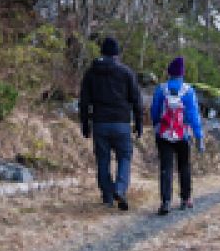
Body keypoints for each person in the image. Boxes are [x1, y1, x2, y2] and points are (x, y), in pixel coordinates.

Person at [78, 35, 144, 210]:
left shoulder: (91, 73)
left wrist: (85, 124)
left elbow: (84, 101)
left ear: (102, 52)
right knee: (125, 157)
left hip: (100, 123)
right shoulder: (126, 72)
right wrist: (139, 123)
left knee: (103, 159)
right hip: (121, 123)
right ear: (117, 54)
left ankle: (107, 196)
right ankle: (120, 189)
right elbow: (136, 100)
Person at [150, 55, 203, 215]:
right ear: (182, 73)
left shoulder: (161, 89)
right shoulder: (188, 91)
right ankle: (185, 198)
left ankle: (165, 201)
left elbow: (154, 111)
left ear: (169, 72)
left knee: (166, 167)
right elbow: (194, 115)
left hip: (164, 134)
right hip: (183, 134)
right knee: (184, 166)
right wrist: (199, 136)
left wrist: (157, 126)